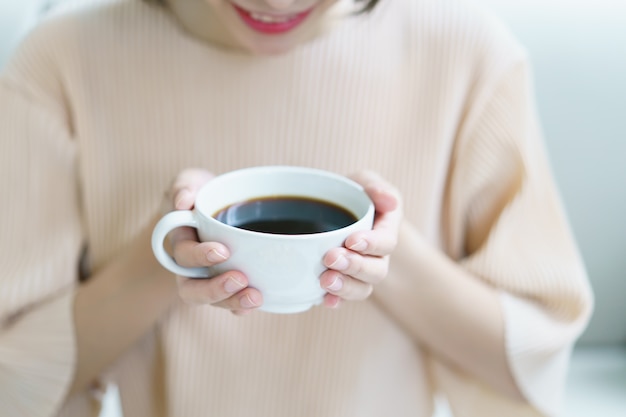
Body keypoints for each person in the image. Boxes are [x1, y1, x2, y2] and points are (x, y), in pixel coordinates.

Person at [0, 0, 594, 416]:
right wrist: (171, 254)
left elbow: (533, 360)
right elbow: (13, 376)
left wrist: (384, 250)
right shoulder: (61, 61)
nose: (278, 2)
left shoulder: (467, 53)